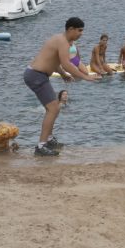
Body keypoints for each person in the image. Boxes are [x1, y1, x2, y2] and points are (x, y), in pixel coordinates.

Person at [23, 17, 98, 156]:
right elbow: (66, 63)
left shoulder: (65, 42)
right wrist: (85, 77)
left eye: (82, 31)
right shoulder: (62, 41)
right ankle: (41, 146)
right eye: (79, 30)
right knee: (53, 108)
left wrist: (63, 74)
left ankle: (49, 140)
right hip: (36, 75)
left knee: (53, 108)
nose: (81, 34)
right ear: (70, 29)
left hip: (37, 75)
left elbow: (56, 61)